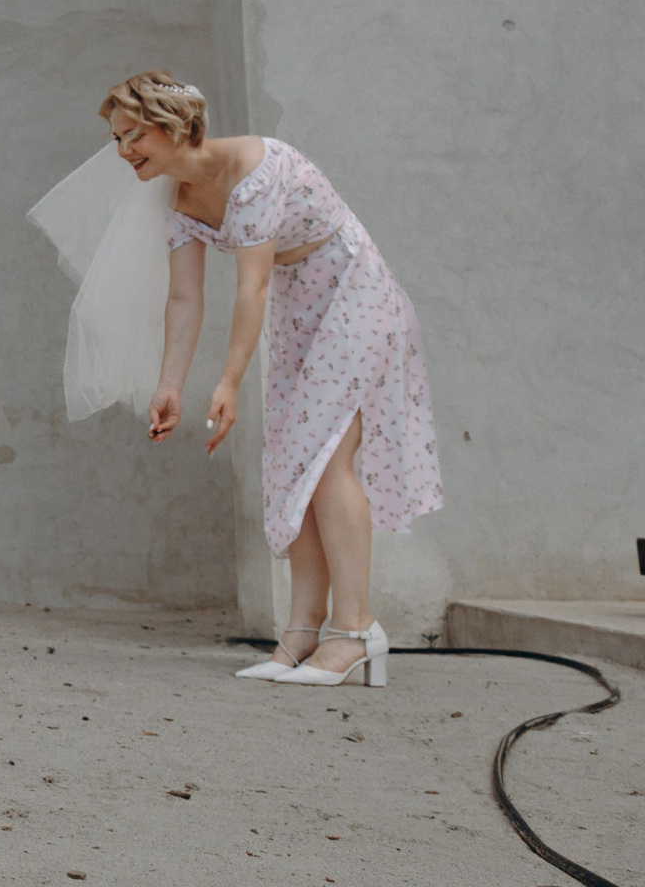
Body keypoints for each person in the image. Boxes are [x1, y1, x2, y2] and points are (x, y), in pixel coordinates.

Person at [100, 72, 442, 687]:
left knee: (328, 462)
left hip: (352, 294)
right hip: (300, 309)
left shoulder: (254, 169)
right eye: (117, 139)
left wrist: (229, 382)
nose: (124, 152)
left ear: (172, 126)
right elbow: (184, 298)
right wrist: (169, 384)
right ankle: (302, 634)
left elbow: (251, 284)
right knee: (293, 464)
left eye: (132, 136)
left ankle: (355, 630)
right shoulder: (177, 196)